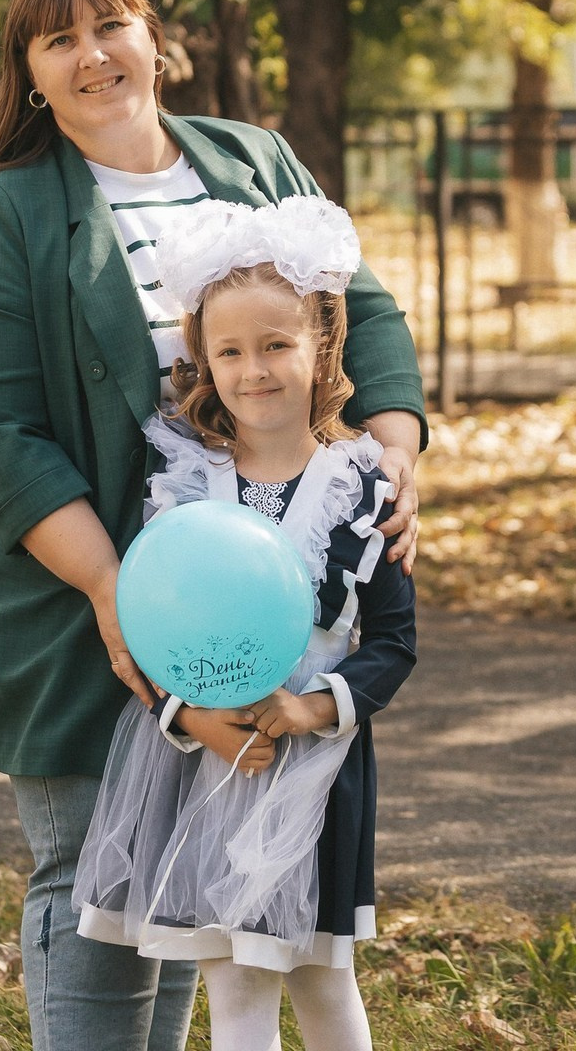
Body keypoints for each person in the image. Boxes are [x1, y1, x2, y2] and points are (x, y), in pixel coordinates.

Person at [0, 0, 427, 1051]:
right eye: (57, 39)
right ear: (30, 74)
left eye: (108, 23)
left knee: (186, 898)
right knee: (95, 894)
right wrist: (119, 596)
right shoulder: (13, 212)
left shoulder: (253, 158)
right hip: (78, 606)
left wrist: (391, 455)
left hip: (257, 622)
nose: (91, 53)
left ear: (154, 38)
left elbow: (373, 315)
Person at [71, 195, 417, 1051]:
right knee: (233, 979)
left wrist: (310, 708)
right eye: (230, 351)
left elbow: (397, 642)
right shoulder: (182, 483)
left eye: (276, 346)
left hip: (315, 770)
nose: (254, 370)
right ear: (204, 361)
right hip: (205, 764)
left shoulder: (363, 487)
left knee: (321, 978)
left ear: (322, 347)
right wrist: (189, 720)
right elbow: (146, 627)